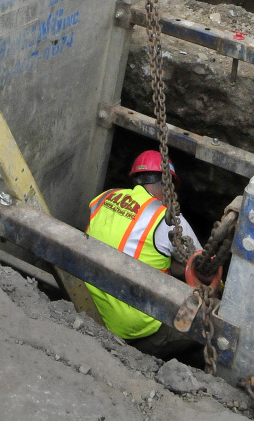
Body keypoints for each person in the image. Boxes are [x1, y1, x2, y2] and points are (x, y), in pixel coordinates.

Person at [85, 150, 201, 358]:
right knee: (206, 319)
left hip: (86, 299)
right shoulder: (168, 219)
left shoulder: (106, 196)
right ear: (168, 184)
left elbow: (128, 246)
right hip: (129, 327)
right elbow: (200, 267)